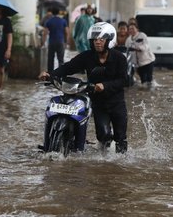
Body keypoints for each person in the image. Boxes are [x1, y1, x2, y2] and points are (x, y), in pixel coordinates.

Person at [39, 22, 129, 153]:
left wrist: (105, 85)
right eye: (95, 39)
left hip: (117, 102)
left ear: (109, 40)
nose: (97, 42)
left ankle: (119, 163)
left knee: (120, 138)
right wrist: (50, 74)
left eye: (101, 39)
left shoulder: (119, 58)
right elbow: (68, 67)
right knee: (103, 135)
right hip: (98, 103)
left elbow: (124, 80)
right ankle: (104, 155)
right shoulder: (87, 56)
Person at [42, 7, 69, 72]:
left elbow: (45, 33)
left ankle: (50, 74)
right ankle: (60, 74)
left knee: (50, 59)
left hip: (51, 42)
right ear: (58, 12)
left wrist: (43, 43)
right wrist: (66, 42)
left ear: (52, 13)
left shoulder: (48, 21)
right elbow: (67, 32)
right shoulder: (63, 21)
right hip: (60, 42)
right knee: (61, 59)